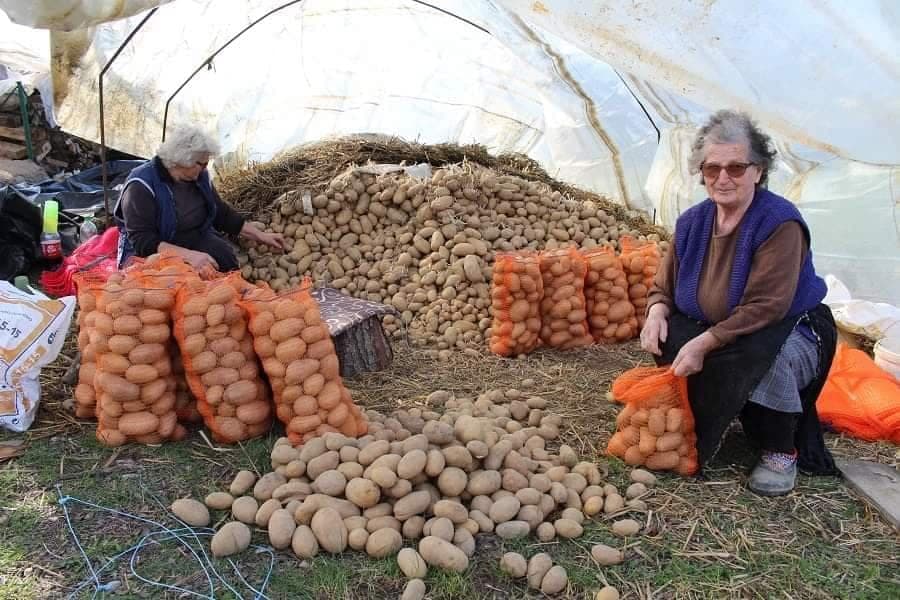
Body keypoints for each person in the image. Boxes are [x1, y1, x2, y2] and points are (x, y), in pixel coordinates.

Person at [640, 109, 837, 496]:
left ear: (759, 171)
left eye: (736, 167)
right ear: (701, 172)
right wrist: (655, 312)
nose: (723, 178)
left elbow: (766, 307)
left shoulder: (778, 223)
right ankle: (712, 411)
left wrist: (705, 341)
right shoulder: (692, 222)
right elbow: (663, 286)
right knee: (668, 333)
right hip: (720, 327)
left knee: (765, 355)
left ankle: (780, 450)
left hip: (786, 327)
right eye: (712, 169)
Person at [114, 125, 287, 271]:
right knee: (181, 289)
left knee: (226, 262)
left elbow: (221, 213)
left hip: (193, 236)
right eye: (201, 164)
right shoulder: (141, 186)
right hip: (156, 250)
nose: (205, 169)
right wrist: (189, 256)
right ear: (183, 160)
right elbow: (144, 242)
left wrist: (260, 235)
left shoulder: (199, 177)